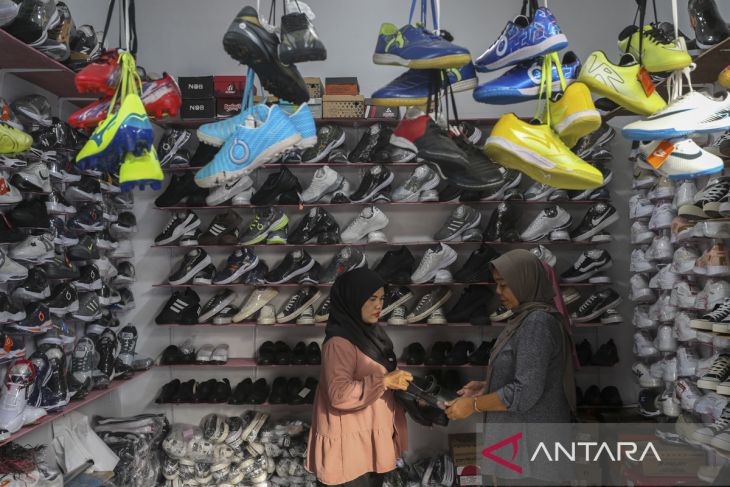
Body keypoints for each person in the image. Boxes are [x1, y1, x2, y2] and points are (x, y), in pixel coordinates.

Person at [444, 249, 576, 483]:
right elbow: (531, 375)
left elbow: (525, 392)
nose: (498, 291)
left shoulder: (537, 322)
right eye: (497, 284)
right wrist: (487, 385)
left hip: (532, 453)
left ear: (525, 282)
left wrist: (473, 405)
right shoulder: (525, 318)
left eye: (504, 285)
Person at [306, 268, 413, 487]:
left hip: (367, 441)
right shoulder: (339, 344)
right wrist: (384, 381)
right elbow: (339, 394)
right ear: (352, 299)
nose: (379, 305)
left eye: (381, 298)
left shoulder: (371, 335)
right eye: (372, 298)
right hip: (349, 451)